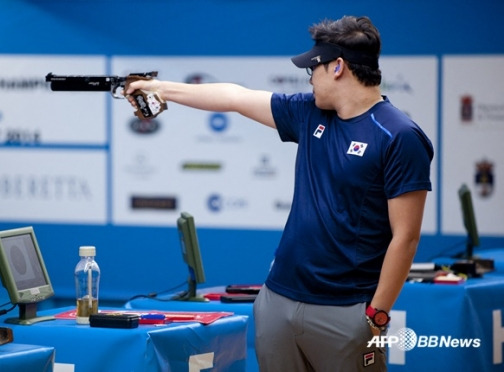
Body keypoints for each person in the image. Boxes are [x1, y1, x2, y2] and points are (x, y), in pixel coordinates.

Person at [125, 15, 433, 372]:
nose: (309, 79)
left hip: (347, 310)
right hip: (278, 299)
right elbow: (235, 97)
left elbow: (406, 237)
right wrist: (160, 88)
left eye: (312, 70)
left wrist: (377, 315)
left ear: (337, 68)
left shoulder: (399, 135)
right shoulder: (309, 112)